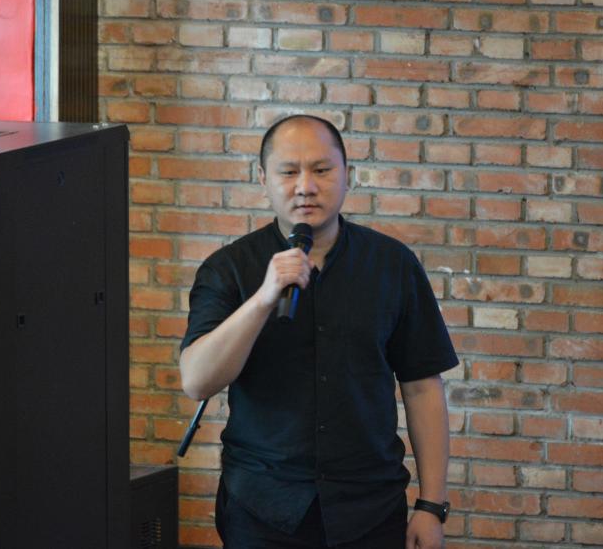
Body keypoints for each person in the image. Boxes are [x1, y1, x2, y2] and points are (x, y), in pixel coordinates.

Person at [180, 115, 458, 548]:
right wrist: (263, 298)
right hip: (262, 508)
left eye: (322, 170)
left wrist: (431, 506)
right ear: (263, 179)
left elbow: (422, 387)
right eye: (289, 172)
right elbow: (197, 381)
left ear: (348, 175)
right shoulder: (229, 268)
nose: (305, 186)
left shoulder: (392, 264)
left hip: (370, 508)